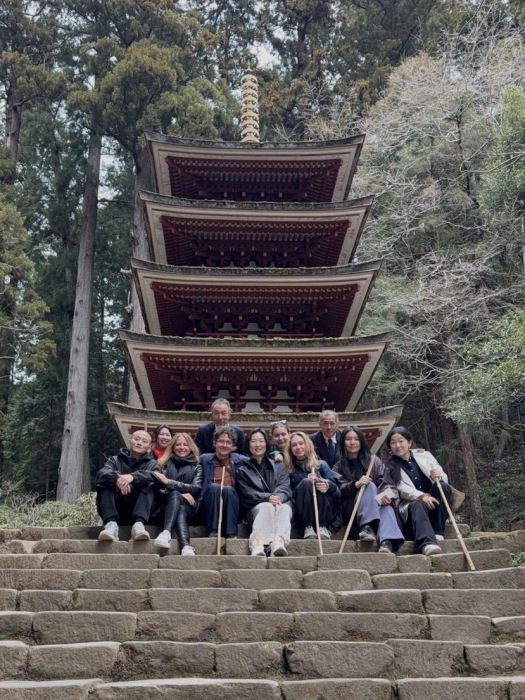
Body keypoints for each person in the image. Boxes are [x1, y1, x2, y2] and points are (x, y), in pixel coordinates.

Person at [333, 425, 404, 553]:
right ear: (343, 442)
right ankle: (366, 526)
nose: (352, 442)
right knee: (368, 485)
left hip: (376, 505)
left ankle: (387, 542)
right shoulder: (338, 467)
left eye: (356, 439)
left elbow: (387, 483)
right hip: (351, 510)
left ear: (361, 441)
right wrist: (356, 485)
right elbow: (337, 491)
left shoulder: (374, 461)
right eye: (348, 439)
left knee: (387, 507)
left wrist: (385, 495)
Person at [386, 426, 452, 556]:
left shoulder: (425, 455)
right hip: (413, 507)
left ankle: (438, 531)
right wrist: (421, 496)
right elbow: (400, 489)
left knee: (443, 486)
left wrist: (437, 476)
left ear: (409, 442)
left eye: (401, 441)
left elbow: (443, 476)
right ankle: (426, 543)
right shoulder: (390, 467)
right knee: (418, 504)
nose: (397, 445)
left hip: (434, 505)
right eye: (393, 443)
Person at [236, 428, 293, 557]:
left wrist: (277, 498)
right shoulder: (243, 470)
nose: (258, 445)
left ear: (267, 444)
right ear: (248, 444)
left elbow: (285, 487)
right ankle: (257, 544)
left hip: (278, 504)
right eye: (254, 441)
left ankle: (279, 542)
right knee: (266, 506)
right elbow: (247, 493)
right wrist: (268, 498)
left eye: (261, 441)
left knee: (285, 508)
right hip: (256, 508)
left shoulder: (279, 465)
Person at [96, 430, 158, 542]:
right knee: (105, 483)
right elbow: (102, 474)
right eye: (137, 439)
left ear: (149, 447)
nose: (139, 443)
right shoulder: (115, 460)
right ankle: (111, 525)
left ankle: (138, 525)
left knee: (150, 484)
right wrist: (118, 479)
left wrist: (133, 478)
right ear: (130, 441)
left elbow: (155, 476)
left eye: (144, 441)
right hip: (117, 508)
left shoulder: (152, 464)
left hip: (140, 510)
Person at [150, 432, 203, 555]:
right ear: (172, 446)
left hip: (190, 508)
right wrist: (180, 493)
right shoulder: (162, 464)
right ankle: (185, 546)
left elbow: (196, 487)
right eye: (178, 444)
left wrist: (168, 482)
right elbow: (157, 489)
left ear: (191, 447)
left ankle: (166, 533)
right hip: (163, 508)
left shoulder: (197, 465)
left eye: (185, 444)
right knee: (176, 499)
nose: (182, 447)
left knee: (180, 505)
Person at [284, 431, 340, 540]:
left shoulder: (321, 465)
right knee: (306, 483)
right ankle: (308, 527)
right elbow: (288, 493)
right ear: (290, 448)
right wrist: (305, 485)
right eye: (294, 445)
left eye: (301, 443)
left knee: (319, 482)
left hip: (324, 510)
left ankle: (322, 526)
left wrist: (327, 486)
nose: (298, 447)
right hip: (302, 512)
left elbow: (337, 492)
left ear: (307, 444)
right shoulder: (288, 469)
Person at [197, 426, 248, 538]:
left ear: (233, 447)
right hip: (210, 505)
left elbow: (259, 458)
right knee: (214, 487)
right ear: (214, 443)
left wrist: (279, 455)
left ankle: (231, 533)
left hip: (231, 506)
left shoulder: (240, 461)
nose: (224, 445)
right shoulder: (204, 459)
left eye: (228, 442)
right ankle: (214, 531)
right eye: (221, 441)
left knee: (229, 489)